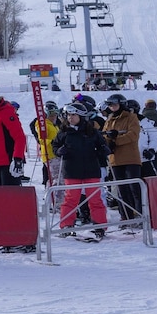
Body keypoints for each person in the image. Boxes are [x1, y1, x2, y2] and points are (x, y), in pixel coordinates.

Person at [51, 100, 108, 239]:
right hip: (72, 170)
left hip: (91, 169)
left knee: (95, 199)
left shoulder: (91, 131)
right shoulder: (64, 132)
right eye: (69, 115)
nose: (70, 118)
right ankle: (66, 225)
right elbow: (55, 146)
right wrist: (59, 151)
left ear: (81, 116)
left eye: (73, 115)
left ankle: (99, 225)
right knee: (71, 199)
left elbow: (102, 144)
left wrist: (103, 149)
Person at [102, 93, 143, 222]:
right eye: (110, 105)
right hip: (115, 159)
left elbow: (133, 135)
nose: (112, 107)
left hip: (130, 158)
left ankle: (140, 215)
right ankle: (125, 216)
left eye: (114, 104)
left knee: (134, 188)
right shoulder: (110, 119)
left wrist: (116, 140)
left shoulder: (131, 117)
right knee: (121, 190)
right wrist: (108, 141)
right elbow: (104, 134)